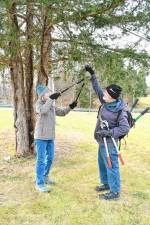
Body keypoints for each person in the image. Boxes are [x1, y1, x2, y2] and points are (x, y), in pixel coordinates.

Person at [85, 65, 130, 200]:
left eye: (106, 93)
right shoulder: (105, 102)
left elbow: (124, 128)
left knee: (112, 165)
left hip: (110, 142)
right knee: (102, 163)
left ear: (111, 96)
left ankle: (114, 192)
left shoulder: (120, 110)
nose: (103, 94)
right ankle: (106, 183)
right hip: (101, 140)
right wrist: (92, 74)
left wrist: (110, 132)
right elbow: (97, 88)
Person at [34, 85, 77, 193]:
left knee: (50, 158)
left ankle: (45, 176)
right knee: (41, 161)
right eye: (48, 93)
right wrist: (52, 99)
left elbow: (62, 113)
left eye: (50, 92)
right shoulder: (38, 104)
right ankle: (39, 183)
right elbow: (43, 111)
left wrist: (70, 107)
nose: (50, 94)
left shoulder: (51, 106)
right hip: (41, 137)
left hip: (50, 137)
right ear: (42, 95)